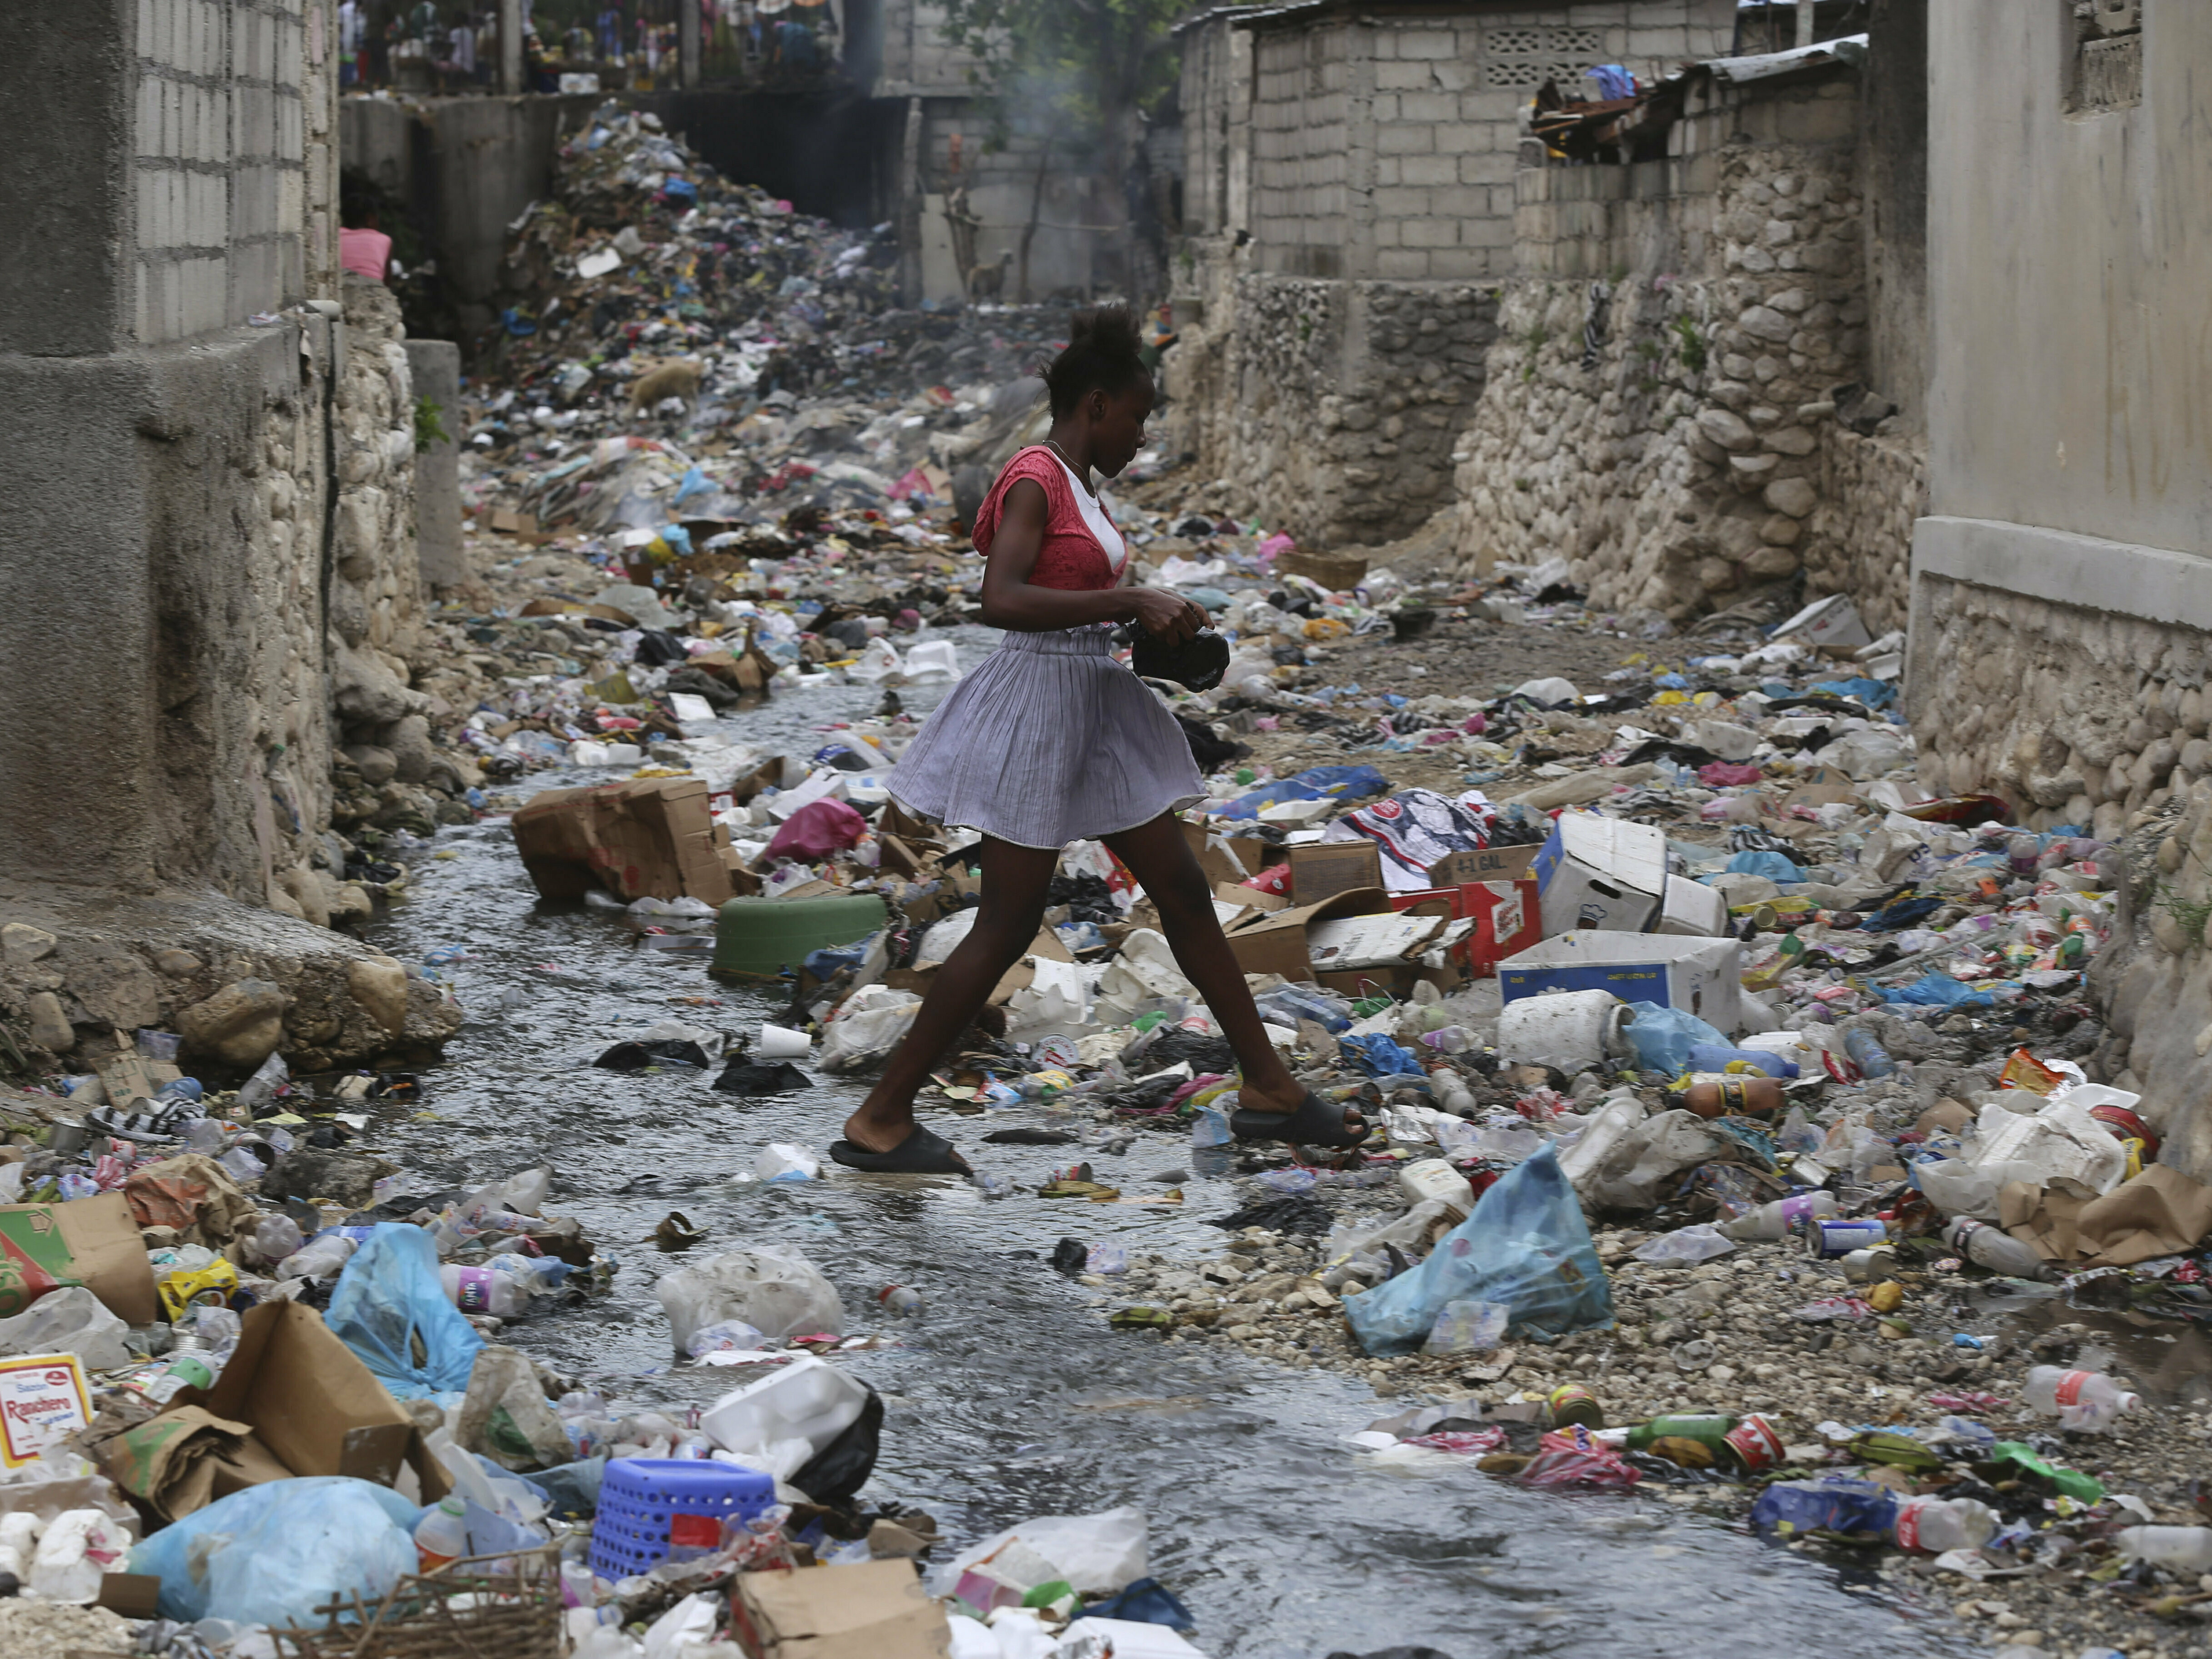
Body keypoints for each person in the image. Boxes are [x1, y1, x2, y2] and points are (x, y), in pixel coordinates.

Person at [829, 305, 1364, 1175]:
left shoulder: (1083, 488)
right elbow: (998, 597)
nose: (1142, 434)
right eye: (1138, 415)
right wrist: (1130, 600)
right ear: (1095, 403)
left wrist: (1156, 625)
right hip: (1041, 702)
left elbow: (1071, 590)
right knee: (1005, 924)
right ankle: (881, 1117)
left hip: (1092, 701)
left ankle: (1268, 1085)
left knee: (1185, 892)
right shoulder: (1035, 477)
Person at [339, 194, 392, 282]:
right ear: (370, 219)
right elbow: (387, 281)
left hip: (340, 286)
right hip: (372, 289)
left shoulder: (336, 236)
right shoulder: (385, 240)